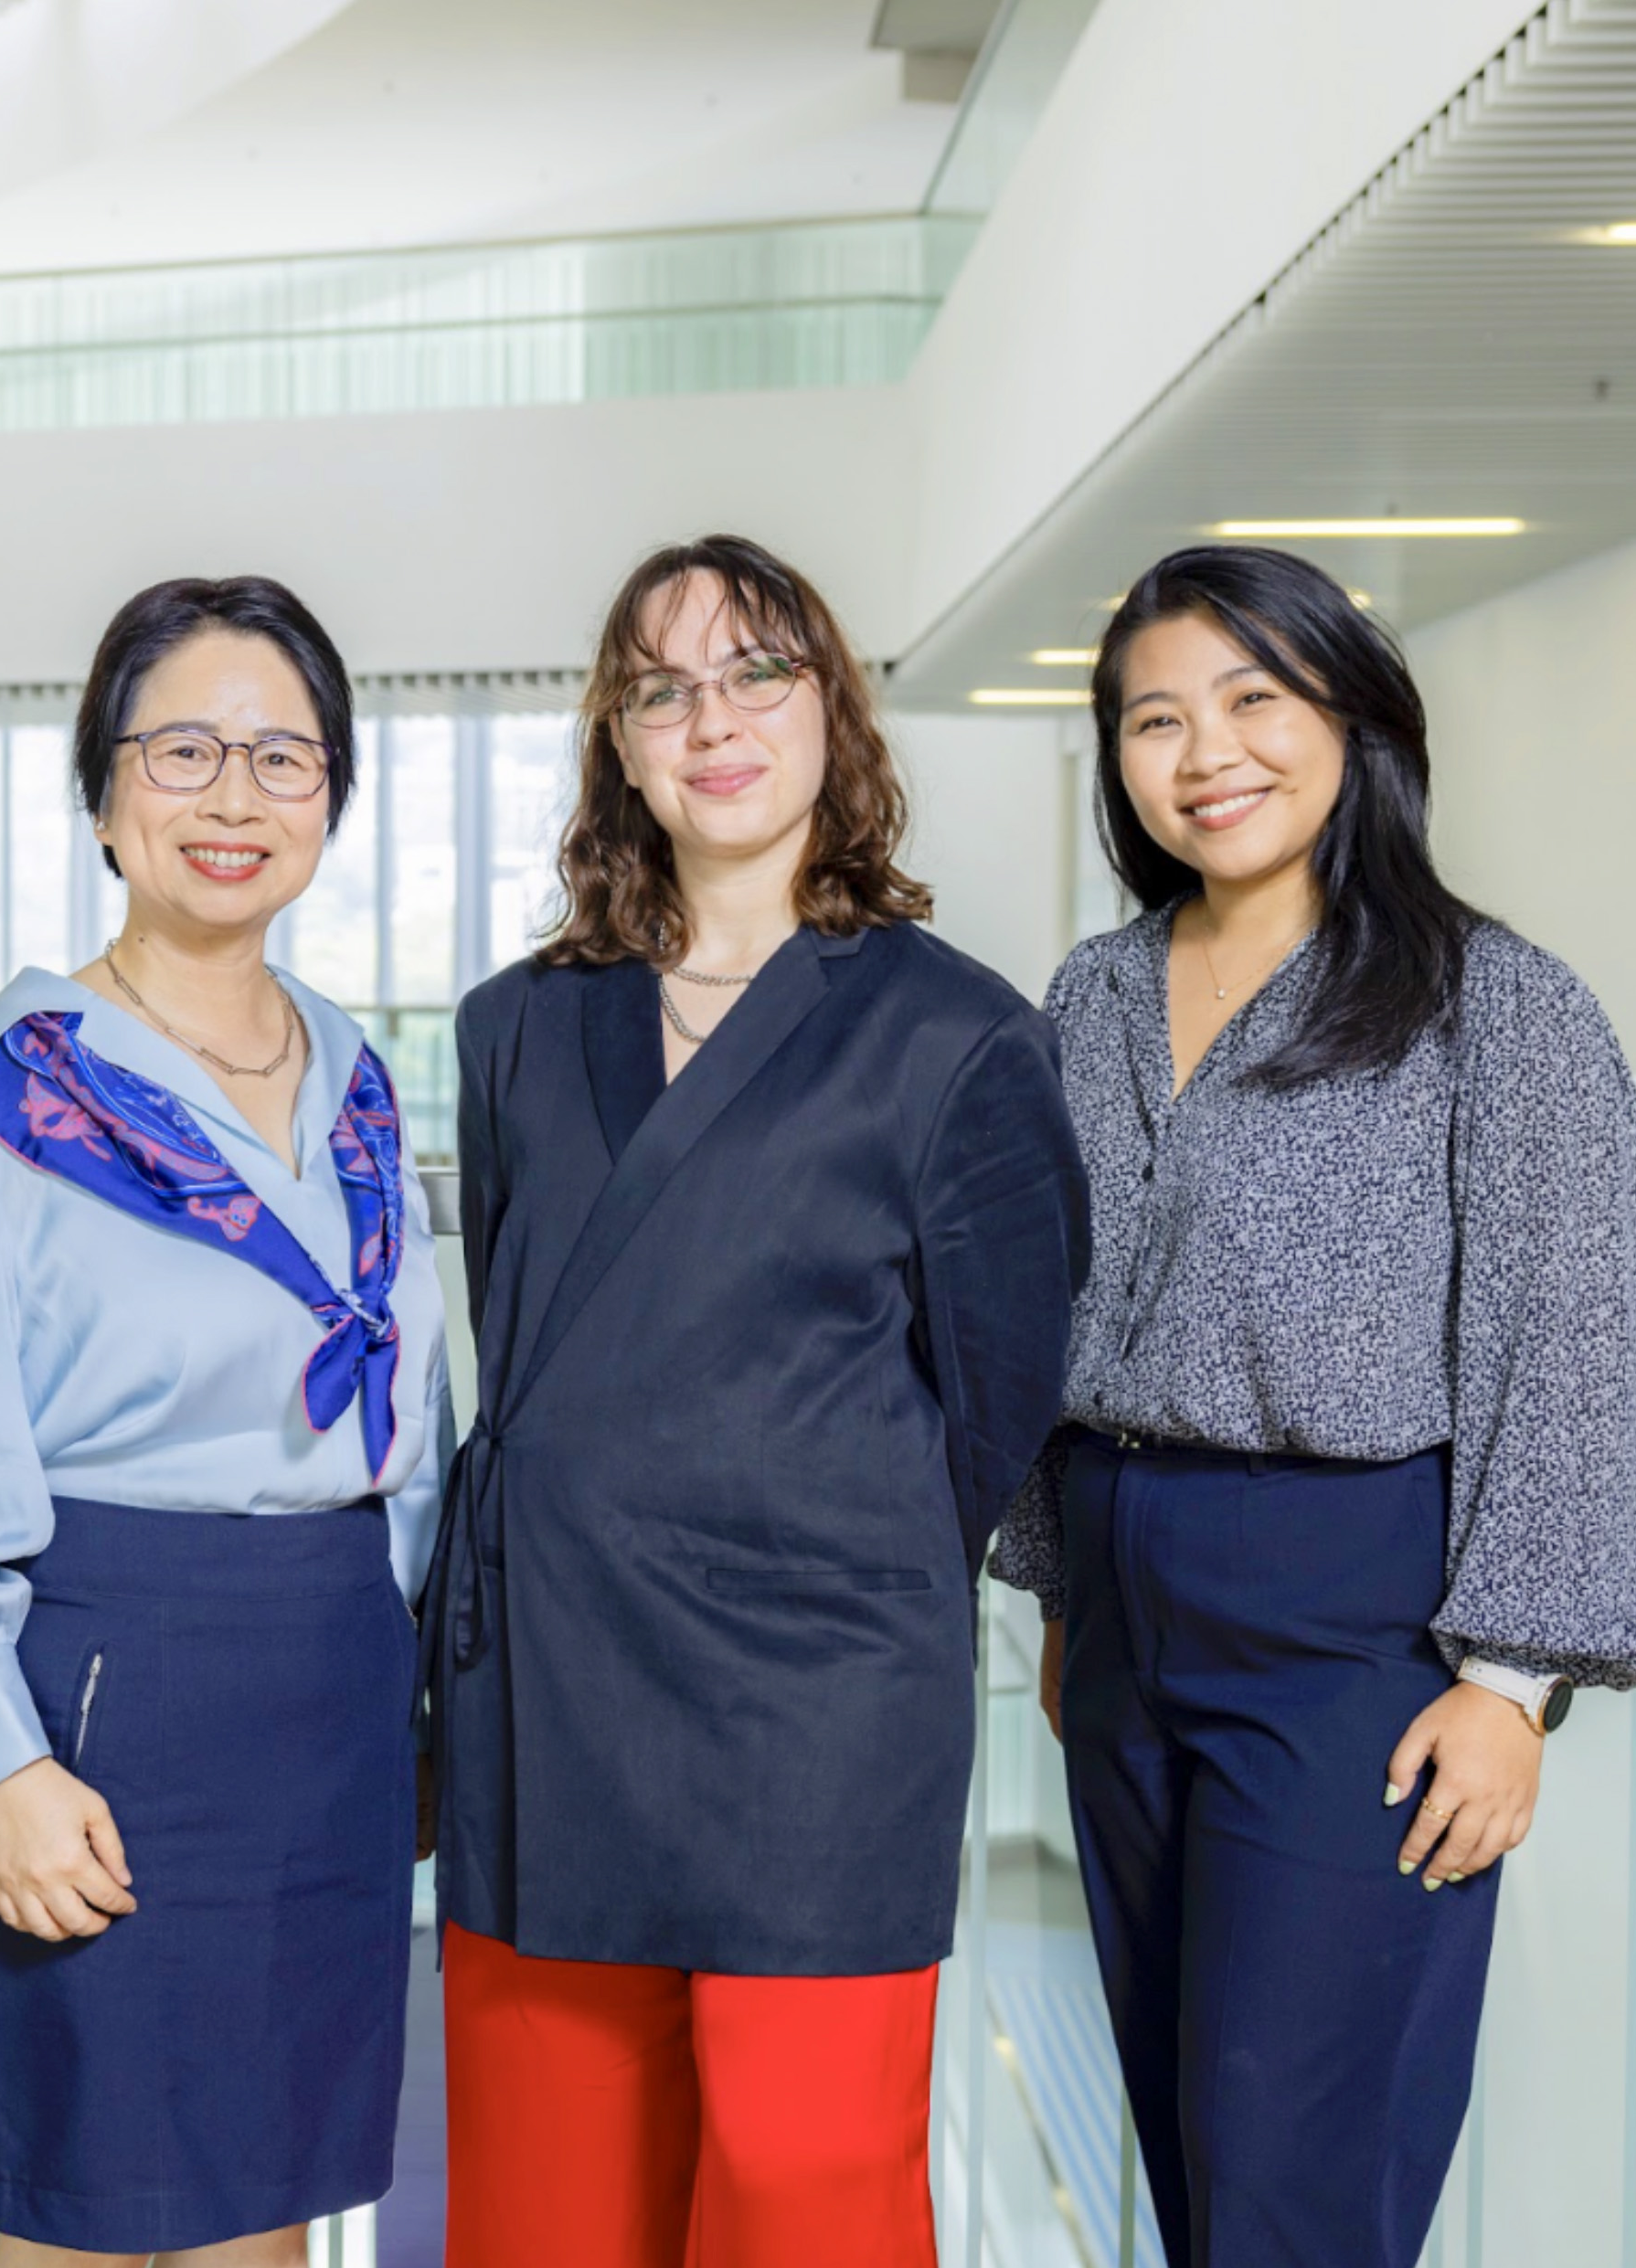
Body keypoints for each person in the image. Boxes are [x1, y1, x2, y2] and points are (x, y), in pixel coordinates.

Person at [991, 544, 1636, 2267]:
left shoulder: (1491, 1004)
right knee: (1184, 2131)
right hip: (1126, 1588)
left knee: (1294, 2164)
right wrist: (1074, 1588)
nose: (1204, 752)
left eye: (1254, 700)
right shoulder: (1089, 995)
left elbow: (1573, 1340)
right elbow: (1042, 1305)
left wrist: (1515, 1684)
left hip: (1350, 1619)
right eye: (1155, 718)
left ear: (1354, 719)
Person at [428, 533, 1089, 2268]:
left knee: (807, 2196)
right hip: (549, 1693)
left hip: (822, 1702)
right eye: (664, 688)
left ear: (830, 711)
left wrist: (802, 1521)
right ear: (621, 746)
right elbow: (528, 1338)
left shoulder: (958, 1038)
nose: (711, 719)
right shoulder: (514, 1028)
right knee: (550, 2210)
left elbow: (992, 1405)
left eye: (755, 673)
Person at [0, 576, 450, 2268]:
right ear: (101, 795)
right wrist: (0, 1761)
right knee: (89, 2217)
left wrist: (409, 1690)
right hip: (96, 1696)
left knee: (265, 2209)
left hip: (325, 1695)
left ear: (333, 794)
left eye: (282, 756)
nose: (234, 797)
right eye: (183, 751)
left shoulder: (359, 1078)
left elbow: (415, 1412)